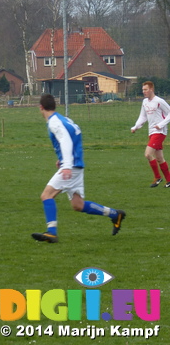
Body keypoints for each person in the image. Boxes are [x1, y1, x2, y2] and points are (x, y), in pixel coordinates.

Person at [33, 94, 125, 243]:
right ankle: (115, 214)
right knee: (78, 205)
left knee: (46, 195)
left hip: (71, 167)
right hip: (76, 164)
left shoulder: (54, 122)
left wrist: (67, 164)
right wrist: (64, 158)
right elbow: (76, 134)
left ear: (41, 107)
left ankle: (51, 232)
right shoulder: (64, 119)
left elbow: (66, 141)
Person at [130, 81, 170, 187]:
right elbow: (143, 117)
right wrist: (135, 127)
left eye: (145, 89)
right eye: (143, 89)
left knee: (148, 154)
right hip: (151, 132)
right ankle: (169, 181)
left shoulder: (159, 101)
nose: (143, 91)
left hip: (160, 132)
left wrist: (161, 125)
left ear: (151, 89)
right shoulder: (145, 102)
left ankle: (158, 178)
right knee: (160, 158)